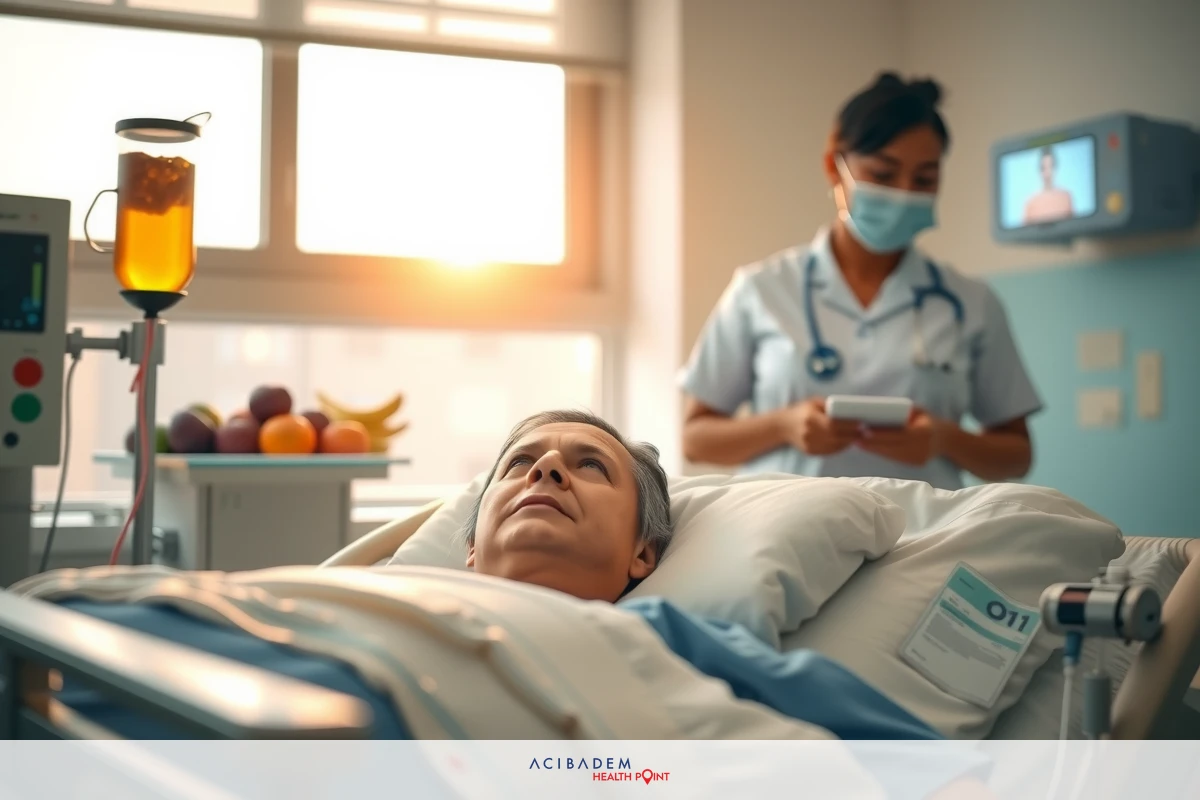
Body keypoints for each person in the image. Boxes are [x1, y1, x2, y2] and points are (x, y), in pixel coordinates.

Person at [461, 409, 993, 796]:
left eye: (592, 467)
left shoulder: (661, 638)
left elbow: (926, 767)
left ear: (642, 552)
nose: (546, 467)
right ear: (469, 551)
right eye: (519, 463)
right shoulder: (388, 606)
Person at [679, 72, 1042, 491]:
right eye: (884, 175)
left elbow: (1017, 454)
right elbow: (696, 438)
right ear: (834, 165)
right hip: (789, 537)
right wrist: (783, 426)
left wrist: (945, 439)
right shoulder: (761, 289)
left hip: (922, 539)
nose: (905, 193)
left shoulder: (971, 303)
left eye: (924, 180)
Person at [1022, 146, 1075, 224]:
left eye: (1050, 167)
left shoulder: (1066, 197)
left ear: (1055, 168)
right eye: (1043, 168)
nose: (1047, 174)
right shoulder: (1031, 202)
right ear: (1039, 170)